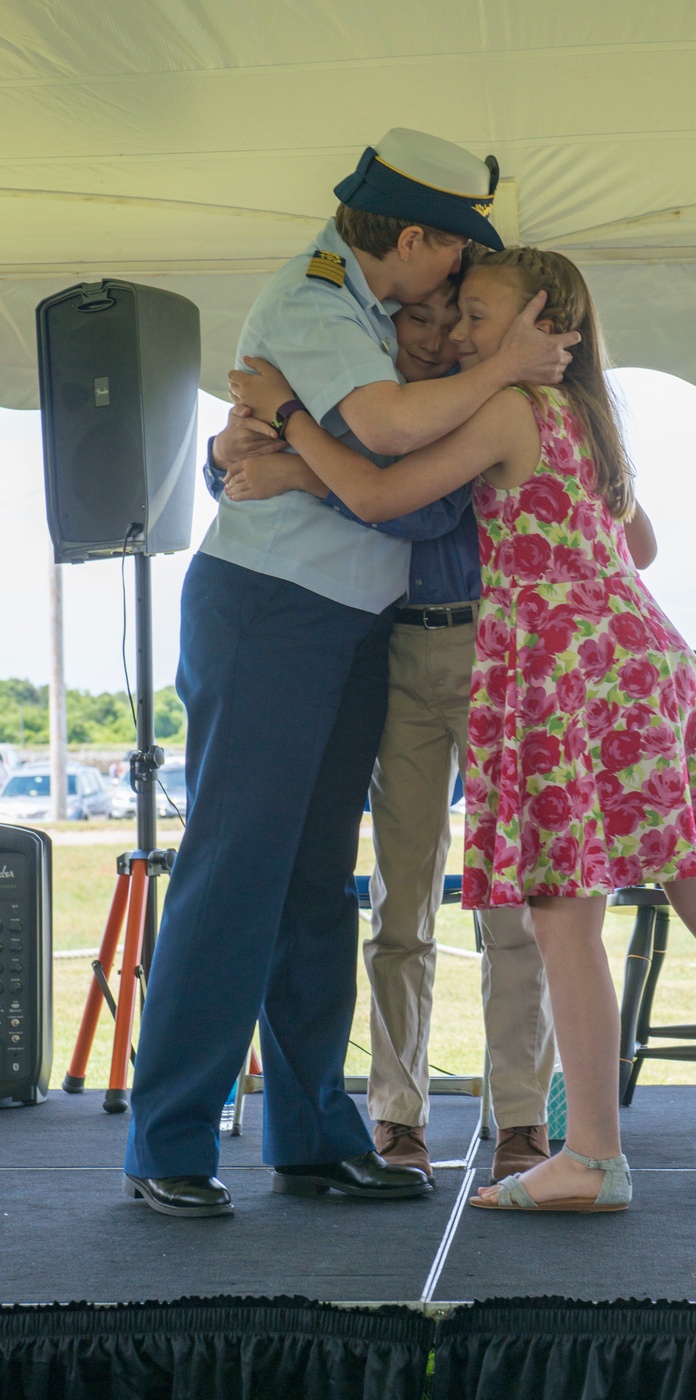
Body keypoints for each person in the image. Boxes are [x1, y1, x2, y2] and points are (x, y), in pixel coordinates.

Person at [227, 245, 696, 1215]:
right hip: (647, 656)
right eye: (459, 315)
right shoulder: (589, 416)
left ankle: (591, 1155)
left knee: (559, 912)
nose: (461, 332)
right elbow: (637, 542)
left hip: (565, 667)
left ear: (544, 324)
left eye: (479, 316)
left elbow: (387, 496)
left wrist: (293, 422)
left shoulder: (506, 407)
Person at [121, 130, 580, 1220]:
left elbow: (405, 477)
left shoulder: (379, 312)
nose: (459, 280)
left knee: (319, 890)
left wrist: (279, 449)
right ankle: (169, 1139)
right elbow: (383, 433)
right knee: (235, 875)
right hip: (271, 612)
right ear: (413, 238)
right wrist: (502, 367)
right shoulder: (318, 295)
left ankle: (315, 1132)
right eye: (456, 253)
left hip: (350, 624)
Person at [210, 284, 558, 1185]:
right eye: (421, 319)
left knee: (510, 904)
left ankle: (520, 1116)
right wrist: (226, 449)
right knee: (399, 903)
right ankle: (396, 1114)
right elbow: (228, 462)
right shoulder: (362, 402)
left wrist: (293, 466)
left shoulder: (483, 402)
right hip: (401, 653)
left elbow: (421, 509)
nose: (440, 337)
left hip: (493, 650)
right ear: (388, 322)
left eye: (458, 320)